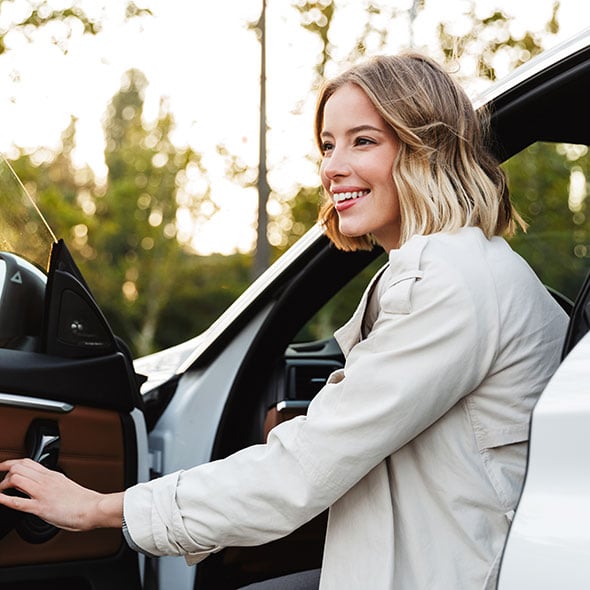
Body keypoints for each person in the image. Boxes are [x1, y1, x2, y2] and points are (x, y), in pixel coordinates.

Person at [0, 53, 568, 589]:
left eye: (362, 142)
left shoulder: (449, 280)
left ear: (427, 152)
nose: (333, 168)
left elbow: (299, 472)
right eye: (327, 146)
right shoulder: (453, 269)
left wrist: (100, 507)